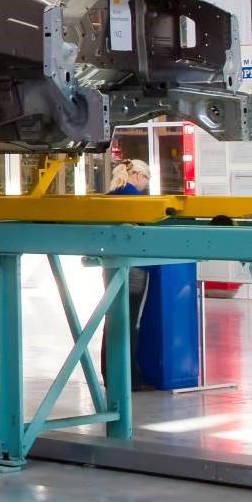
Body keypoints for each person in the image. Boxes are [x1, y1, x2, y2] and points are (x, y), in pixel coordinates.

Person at [102, 158, 154, 389]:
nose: (146, 184)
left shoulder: (110, 196)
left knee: (113, 319)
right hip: (134, 267)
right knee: (130, 321)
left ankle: (110, 373)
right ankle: (130, 377)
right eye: (146, 179)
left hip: (110, 265)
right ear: (138, 176)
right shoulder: (136, 199)